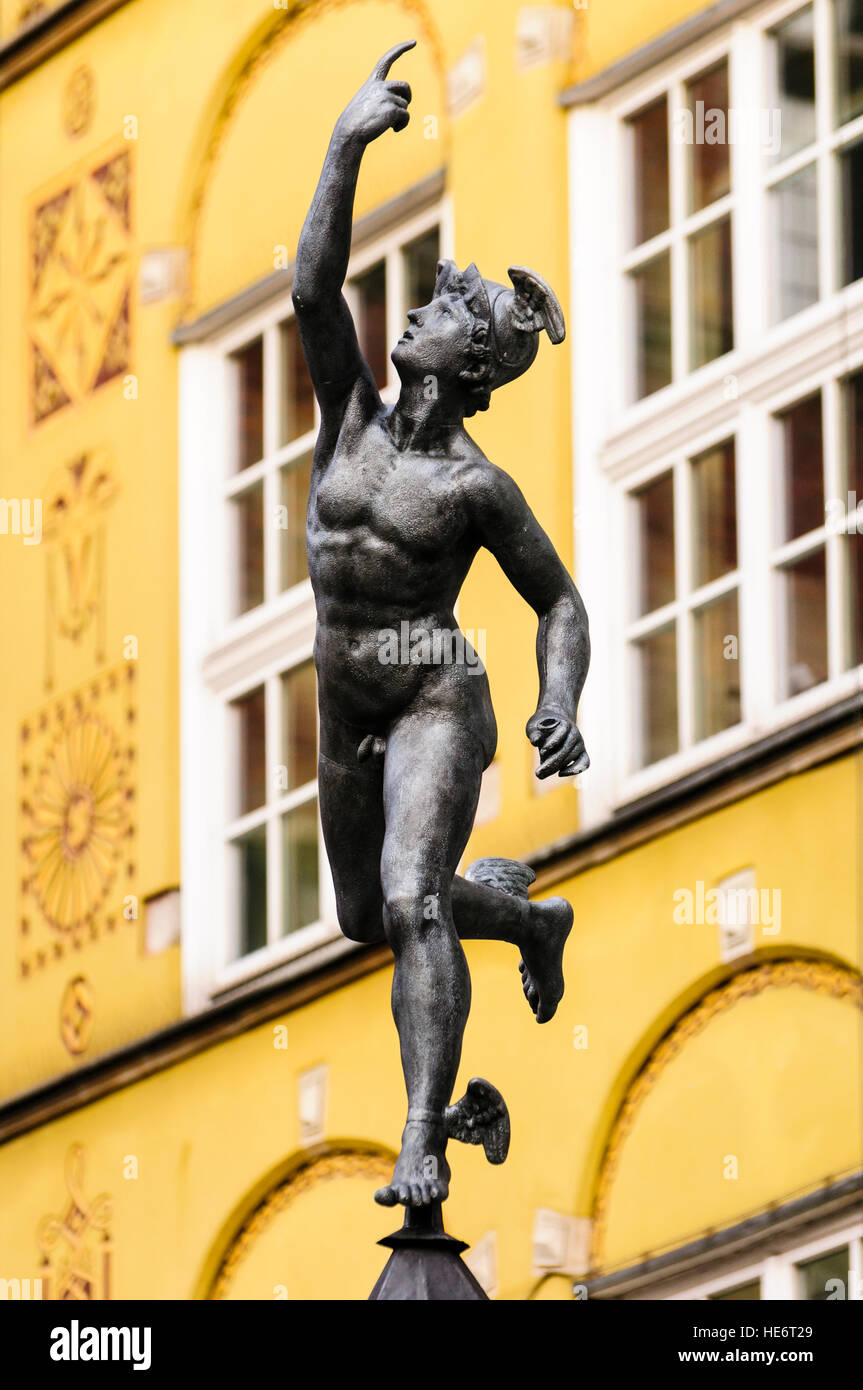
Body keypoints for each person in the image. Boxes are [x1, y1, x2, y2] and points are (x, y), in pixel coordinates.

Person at [292, 40, 590, 1208]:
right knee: (366, 912)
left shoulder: (474, 490)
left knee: (411, 894)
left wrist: (556, 697)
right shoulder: (349, 417)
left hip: (431, 696)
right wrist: (344, 143)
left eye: (428, 313)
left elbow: (556, 597)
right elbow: (315, 288)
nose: (405, 314)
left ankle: (421, 1136)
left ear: (463, 358)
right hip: (345, 698)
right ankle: (523, 916)